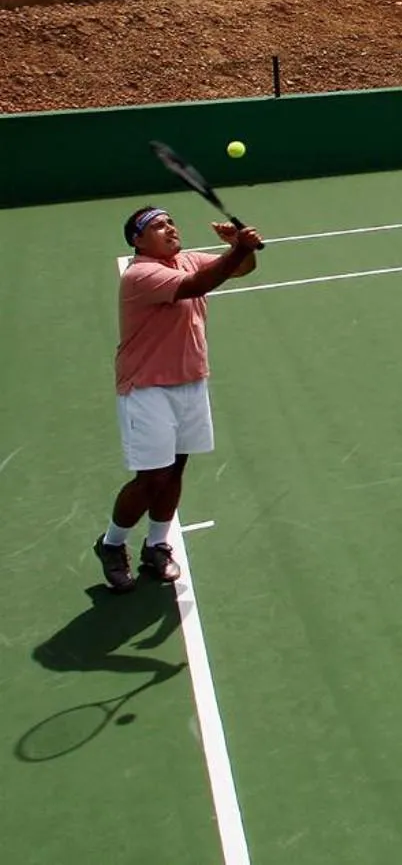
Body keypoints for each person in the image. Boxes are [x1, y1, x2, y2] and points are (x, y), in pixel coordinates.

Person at [94, 207, 262, 592]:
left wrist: (240, 248)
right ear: (137, 241)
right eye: (157, 226)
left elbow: (241, 269)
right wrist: (238, 248)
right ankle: (111, 544)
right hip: (146, 388)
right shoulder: (141, 274)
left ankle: (156, 546)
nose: (169, 228)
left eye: (170, 222)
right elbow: (197, 285)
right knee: (152, 477)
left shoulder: (184, 259)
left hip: (189, 381)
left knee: (176, 470)